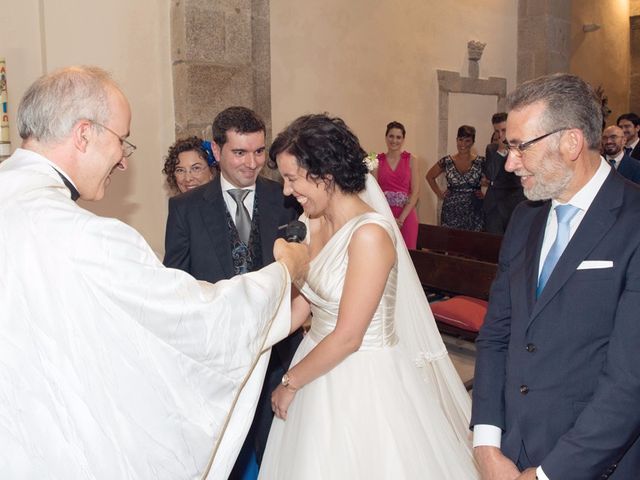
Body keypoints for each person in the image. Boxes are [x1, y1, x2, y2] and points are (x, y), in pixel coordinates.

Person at [0, 65, 309, 480]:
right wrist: (286, 269)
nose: (123, 162)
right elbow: (194, 320)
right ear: (84, 133)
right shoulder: (83, 237)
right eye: (121, 140)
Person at [258, 114, 479, 479]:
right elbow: (301, 307)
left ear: (325, 174)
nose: (285, 190)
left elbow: (349, 336)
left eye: (292, 178)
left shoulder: (370, 236)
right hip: (315, 358)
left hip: (361, 375)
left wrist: (289, 382)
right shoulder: (311, 219)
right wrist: (251, 341)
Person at [471, 73, 640, 480]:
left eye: (519, 147)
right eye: (506, 148)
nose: (509, 164)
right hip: (510, 451)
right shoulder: (526, 217)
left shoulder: (634, 221)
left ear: (571, 142)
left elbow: (629, 380)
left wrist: (550, 473)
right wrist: (487, 443)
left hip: (592, 462)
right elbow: (497, 333)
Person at [163, 106, 302, 478]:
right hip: (216, 352)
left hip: (277, 345)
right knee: (224, 450)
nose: (252, 162)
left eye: (259, 151)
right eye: (240, 152)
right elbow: (176, 281)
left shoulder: (286, 198)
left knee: (275, 444)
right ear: (217, 149)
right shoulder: (185, 208)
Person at [426, 125, 485, 231]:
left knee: (473, 244)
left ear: (473, 142)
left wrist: (486, 195)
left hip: (474, 212)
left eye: (467, 141)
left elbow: (496, 181)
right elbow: (429, 176)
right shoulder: (447, 161)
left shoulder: (481, 162)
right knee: (449, 243)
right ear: (456, 140)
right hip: (450, 212)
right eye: (460, 140)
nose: (463, 144)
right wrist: (440, 194)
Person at [373, 121, 420, 248]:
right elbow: (374, 193)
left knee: (408, 254)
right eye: (391, 136)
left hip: (406, 216)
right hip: (384, 214)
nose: (394, 140)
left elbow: (415, 192)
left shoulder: (411, 159)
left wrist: (401, 219)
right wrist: (387, 217)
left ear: (403, 139)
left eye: (398, 137)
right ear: (386, 137)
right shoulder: (376, 160)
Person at [482, 112, 525, 234]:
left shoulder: (522, 148)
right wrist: (501, 151)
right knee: (493, 247)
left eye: (504, 130)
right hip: (494, 208)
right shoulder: (492, 149)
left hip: (515, 204)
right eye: (497, 131)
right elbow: (490, 175)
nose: (500, 135)